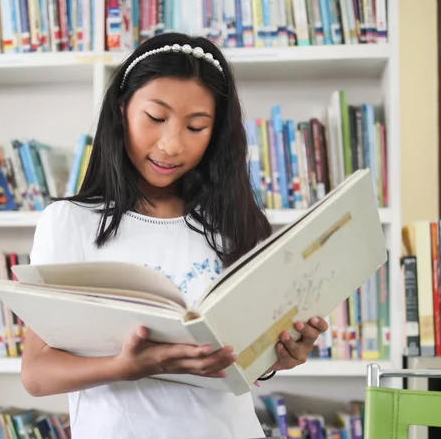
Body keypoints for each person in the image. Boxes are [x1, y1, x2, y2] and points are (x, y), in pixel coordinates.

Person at [21, 32, 329, 438]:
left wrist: (278, 357)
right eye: (155, 118)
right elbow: (37, 375)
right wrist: (127, 367)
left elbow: (240, 359)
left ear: (216, 133)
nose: (171, 145)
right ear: (122, 109)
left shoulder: (237, 225)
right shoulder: (69, 222)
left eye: (196, 127)